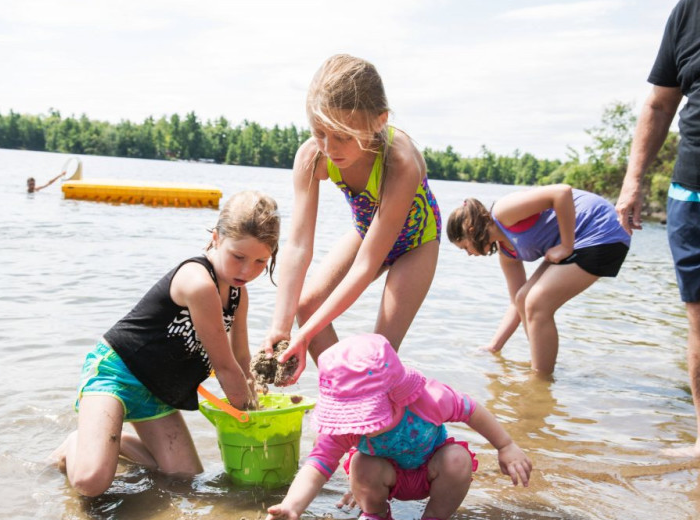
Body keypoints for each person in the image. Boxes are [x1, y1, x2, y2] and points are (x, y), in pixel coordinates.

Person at [49, 190, 280, 496]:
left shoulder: (238, 294)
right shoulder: (198, 282)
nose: (246, 271)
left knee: (182, 479)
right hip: (116, 372)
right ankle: (78, 442)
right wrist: (250, 424)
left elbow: (240, 358)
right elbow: (225, 368)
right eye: (238, 257)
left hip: (157, 390)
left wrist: (258, 406)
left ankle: (108, 441)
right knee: (92, 483)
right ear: (216, 238)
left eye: (260, 261)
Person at [263, 54, 441, 383]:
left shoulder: (401, 162)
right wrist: (281, 326)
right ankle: (344, 391)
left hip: (417, 243)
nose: (330, 148)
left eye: (343, 135)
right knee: (307, 304)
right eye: (320, 133)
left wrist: (304, 337)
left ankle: (376, 399)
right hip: (366, 231)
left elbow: (365, 266)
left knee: (380, 351)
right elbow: (298, 245)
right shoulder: (312, 156)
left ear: (379, 120)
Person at [264, 333, 532, 520]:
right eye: (353, 417)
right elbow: (318, 465)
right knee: (361, 463)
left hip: (431, 470)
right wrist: (292, 507)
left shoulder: (429, 398)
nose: (361, 427)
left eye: (366, 416)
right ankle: (375, 514)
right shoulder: (346, 426)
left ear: (397, 395)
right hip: (383, 476)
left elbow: (471, 410)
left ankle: (435, 517)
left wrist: (505, 446)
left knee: (457, 459)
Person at [616, 0, 700, 458]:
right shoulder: (687, 12)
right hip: (693, 194)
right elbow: (660, 101)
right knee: (699, 323)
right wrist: (633, 183)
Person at [447, 184, 630, 374]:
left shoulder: (503, 212)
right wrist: (494, 346)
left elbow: (561, 193)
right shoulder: (507, 253)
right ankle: (540, 380)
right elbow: (516, 303)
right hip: (577, 241)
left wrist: (566, 247)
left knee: (537, 303)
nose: (468, 254)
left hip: (601, 230)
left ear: (470, 230)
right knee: (523, 298)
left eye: (464, 247)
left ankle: (541, 380)